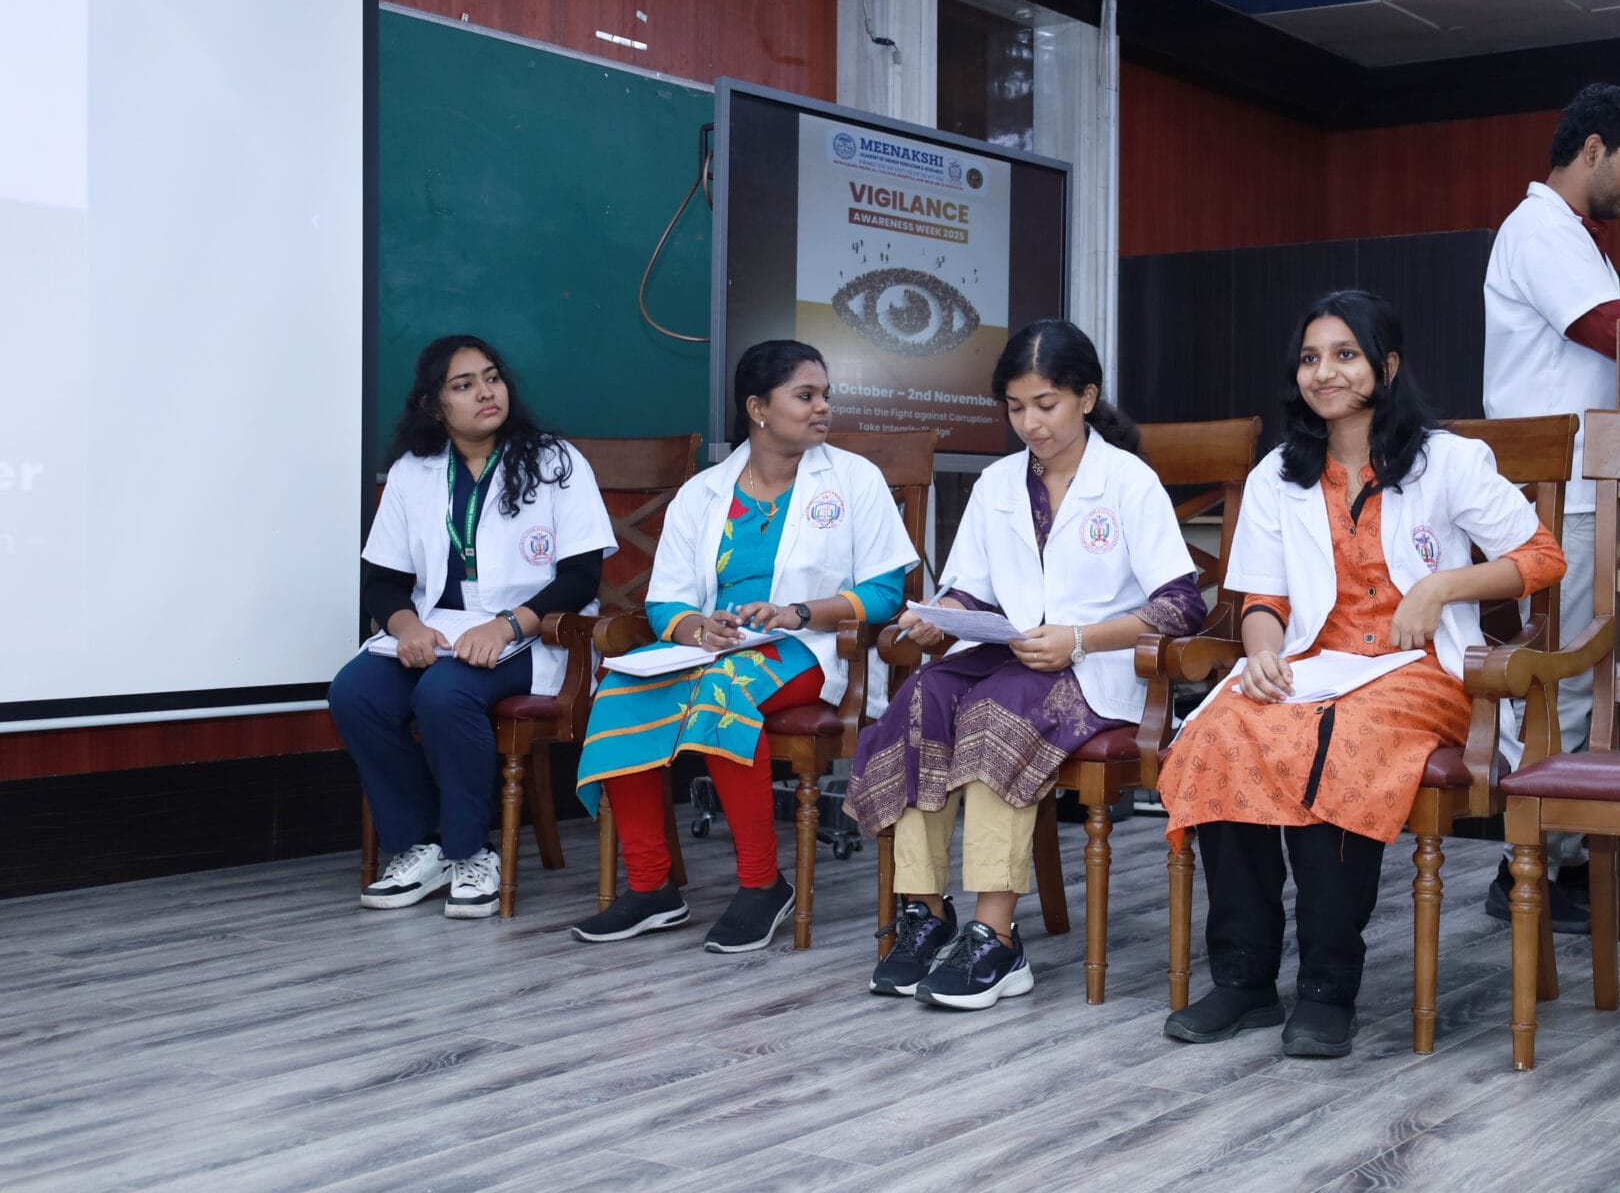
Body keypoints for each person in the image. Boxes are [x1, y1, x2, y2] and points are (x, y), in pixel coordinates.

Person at [1156, 290, 1565, 1057]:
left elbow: (1542, 557)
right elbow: (1263, 600)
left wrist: (1441, 587)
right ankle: (1244, 979)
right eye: (1311, 358)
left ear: (1388, 365)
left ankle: (1327, 988)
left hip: (1423, 672)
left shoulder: (1448, 460)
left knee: (1340, 739)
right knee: (1222, 729)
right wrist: (1263, 650)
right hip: (1315, 665)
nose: (1325, 373)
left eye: (1345, 355)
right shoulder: (1280, 475)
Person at [846, 319, 1206, 1011]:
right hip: (1008, 655)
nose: (1030, 424)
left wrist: (1081, 638)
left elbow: (1181, 605)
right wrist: (938, 615)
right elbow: (972, 589)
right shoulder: (997, 483)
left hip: (1096, 669)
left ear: (1087, 397)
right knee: (921, 698)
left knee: (993, 715)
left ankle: (996, 937)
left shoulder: (1127, 481)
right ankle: (926, 914)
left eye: (1046, 404)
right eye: (1015, 408)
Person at [570, 340, 917, 953]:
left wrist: (798, 612)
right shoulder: (704, 491)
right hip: (715, 648)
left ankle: (762, 884)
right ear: (758, 408)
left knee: (724, 692)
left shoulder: (853, 480)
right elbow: (665, 601)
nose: (822, 408)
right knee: (619, 688)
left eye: (825, 395)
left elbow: (888, 592)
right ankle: (651, 887)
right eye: (805, 395)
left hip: (811, 647)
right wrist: (695, 629)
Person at [330, 335, 617, 919]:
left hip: (537, 633)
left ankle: (470, 852)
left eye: (492, 377)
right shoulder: (414, 472)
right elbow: (381, 580)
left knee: (444, 693)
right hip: (438, 632)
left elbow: (581, 576)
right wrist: (407, 626)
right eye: (464, 385)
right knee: (354, 692)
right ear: (434, 405)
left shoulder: (554, 461)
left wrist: (506, 627)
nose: (486, 392)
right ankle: (421, 845)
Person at [1482, 81, 1620, 931]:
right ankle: (1526, 867)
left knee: (1576, 675)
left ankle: (1556, 856)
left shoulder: (1576, 240)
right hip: (1555, 493)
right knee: (1556, 676)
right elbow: (1606, 328)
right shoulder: (1539, 229)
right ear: (1593, 149)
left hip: (1582, 486)